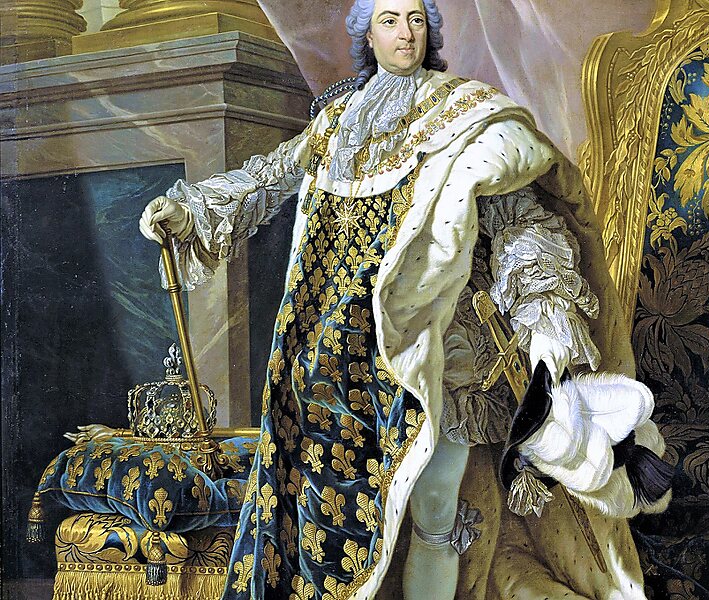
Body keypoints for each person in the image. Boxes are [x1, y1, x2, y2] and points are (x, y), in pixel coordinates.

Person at [139, 0, 661, 598]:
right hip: (332, 362)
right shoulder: (337, 122)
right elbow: (266, 179)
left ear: (430, 29)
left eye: (416, 18)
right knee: (330, 524)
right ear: (367, 32)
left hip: (434, 349)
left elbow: (523, 223)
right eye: (389, 20)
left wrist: (546, 321)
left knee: (435, 511)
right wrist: (189, 211)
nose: (405, 34)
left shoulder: (466, 113)